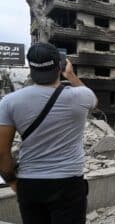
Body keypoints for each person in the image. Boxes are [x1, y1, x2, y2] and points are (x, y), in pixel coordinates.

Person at [0, 42, 97, 224]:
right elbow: (93, 99)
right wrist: (70, 75)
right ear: (59, 65)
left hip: (30, 184)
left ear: (31, 67)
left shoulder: (9, 102)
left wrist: (12, 180)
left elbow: (2, 152)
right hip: (69, 184)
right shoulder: (81, 97)